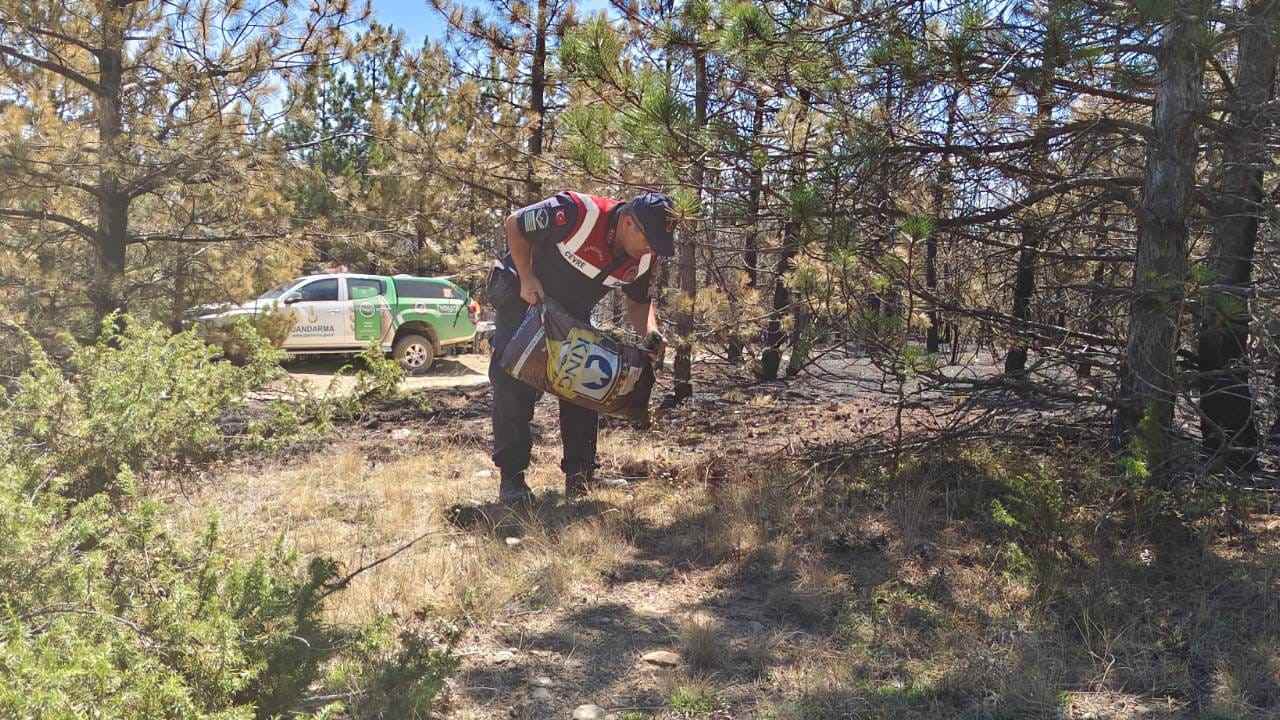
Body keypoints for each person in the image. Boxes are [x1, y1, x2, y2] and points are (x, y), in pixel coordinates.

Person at [487, 190, 676, 504]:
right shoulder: (577, 212)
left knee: (585, 386)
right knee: (512, 383)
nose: (650, 250)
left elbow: (640, 302)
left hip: (571, 313)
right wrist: (527, 276)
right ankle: (513, 480)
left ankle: (581, 479)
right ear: (629, 223)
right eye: (648, 240)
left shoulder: (644, 257)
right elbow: (515, 224)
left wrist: (651, 332)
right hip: (525, 296)